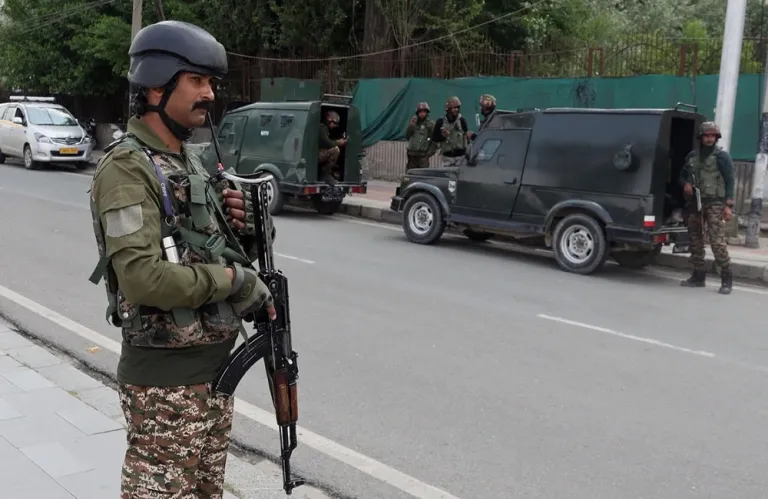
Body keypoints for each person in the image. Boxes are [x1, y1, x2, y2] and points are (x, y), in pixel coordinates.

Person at [87, 20, 277, 498]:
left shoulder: (188, 160)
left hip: (212, 371)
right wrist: (236, 280)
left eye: (210, 82)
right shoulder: (128, 169)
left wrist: (250, 232)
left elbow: (209, 247)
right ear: (156, 85)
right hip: (165, 385)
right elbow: (142, 279)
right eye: (197, 80)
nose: (209, 94)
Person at [679, 121, 735, 294]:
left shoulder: (722, 157)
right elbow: (681, 176)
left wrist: (729, 206)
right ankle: (698, 276)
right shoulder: (692, 156)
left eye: (713, 136)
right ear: (701, 137)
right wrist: (685, 184)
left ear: (716, 137)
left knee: (717, 241)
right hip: (695, 203)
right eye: (707, 135)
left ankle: (726, 278)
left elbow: (730, 180)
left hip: (715, 203)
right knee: (695, 239)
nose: (710, 139)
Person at [431, 96, 470, 166]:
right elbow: (434, 138)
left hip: (461, 157)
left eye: (457, 107)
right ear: (448, 109)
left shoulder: (462, 120)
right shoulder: (440, 122)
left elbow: (466, 137)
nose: (456, 110)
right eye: (454, 108)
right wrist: (443, 136)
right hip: (447, 157)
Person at [405, 102, 436, 169]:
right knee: (410, 176)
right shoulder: (414, 122)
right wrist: (411, 126)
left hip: (423, 156)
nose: (422, 113)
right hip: (412, 155)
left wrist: (427, 155)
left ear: (427, 112)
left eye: (424, 111)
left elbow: (435, 141)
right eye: (420, 111)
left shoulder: (430, 124)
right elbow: (407, 136)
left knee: (423, 176)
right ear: (417, 113)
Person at [319, 110, 346, 185]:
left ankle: (328, 174)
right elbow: (327, 143)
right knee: (336, 150)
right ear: (329, 120)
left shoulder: (324, 128)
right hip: (315, 156)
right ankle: (325, 175)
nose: (334, 126)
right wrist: (338, 142)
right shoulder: (322, 128)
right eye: (334, 123)